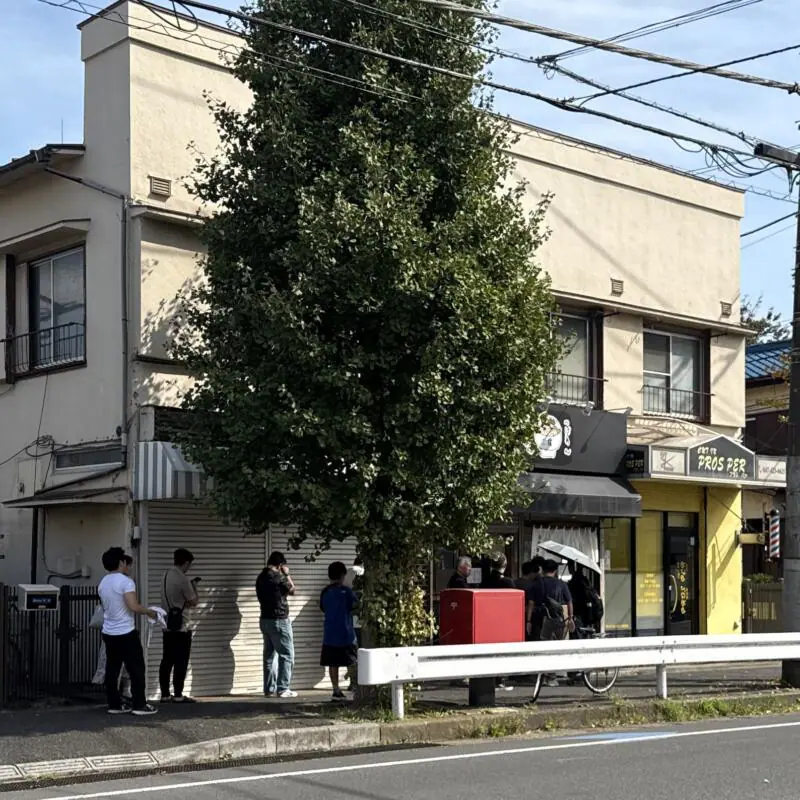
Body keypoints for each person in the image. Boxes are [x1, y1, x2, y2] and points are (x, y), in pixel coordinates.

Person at [98, 547, 158, 716]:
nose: (128, 565)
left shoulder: (103, 582)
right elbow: (133, 606)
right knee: (136, 669)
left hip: (109, 631)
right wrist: (150, 612)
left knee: (112, 668)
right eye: (126, 562)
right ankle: (140, 705)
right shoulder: (126, 582)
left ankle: (114, 705)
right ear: (121, 562)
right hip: (125, 632)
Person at [159, 548, 199, 703]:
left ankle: (164, 694)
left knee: (167, 659)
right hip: (181, 626)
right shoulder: (183, 579)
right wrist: (194, 586)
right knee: (181, 660)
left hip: (167, 624)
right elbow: (193, 601)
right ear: (186, 563)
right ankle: (178, 694)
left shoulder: (165, 574)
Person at [526, 559, 574, 686]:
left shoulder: (536, 584)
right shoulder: (561, 584)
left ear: (543, 569)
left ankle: (541, 675)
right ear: (555, 571)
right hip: (556, 619)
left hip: (538, 618)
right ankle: (551, 677)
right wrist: (570, 617)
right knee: (553, 648)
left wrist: (528, 621)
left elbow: (530, 603)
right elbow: (569, 602)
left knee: (541, 647)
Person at [256, 551, 297, 699]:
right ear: (280, 565)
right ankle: (283, 688)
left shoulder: (260, 577)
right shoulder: (278, 577)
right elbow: (292, 590)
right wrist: (287, 574)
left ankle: (269, 689)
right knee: (287, 655)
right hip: (279, 620)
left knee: (269, 655)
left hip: (264, 619)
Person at [320, 561, 358, 701]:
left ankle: (336, 689)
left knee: (333, 663)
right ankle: (355, 686)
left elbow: (323, 608)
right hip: (346, 633)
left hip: (330, 634)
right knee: (352, 661)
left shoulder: (325, 592)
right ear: (343, 575)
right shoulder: (347, 592)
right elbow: (355, 606)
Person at [343, 556, 364, 691]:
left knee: (351, 653)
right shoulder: (361, 572)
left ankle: (352, 681)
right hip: (360, 624)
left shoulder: (346, 575)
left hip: (348, 622)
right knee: (361, 652)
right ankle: (361, 681)